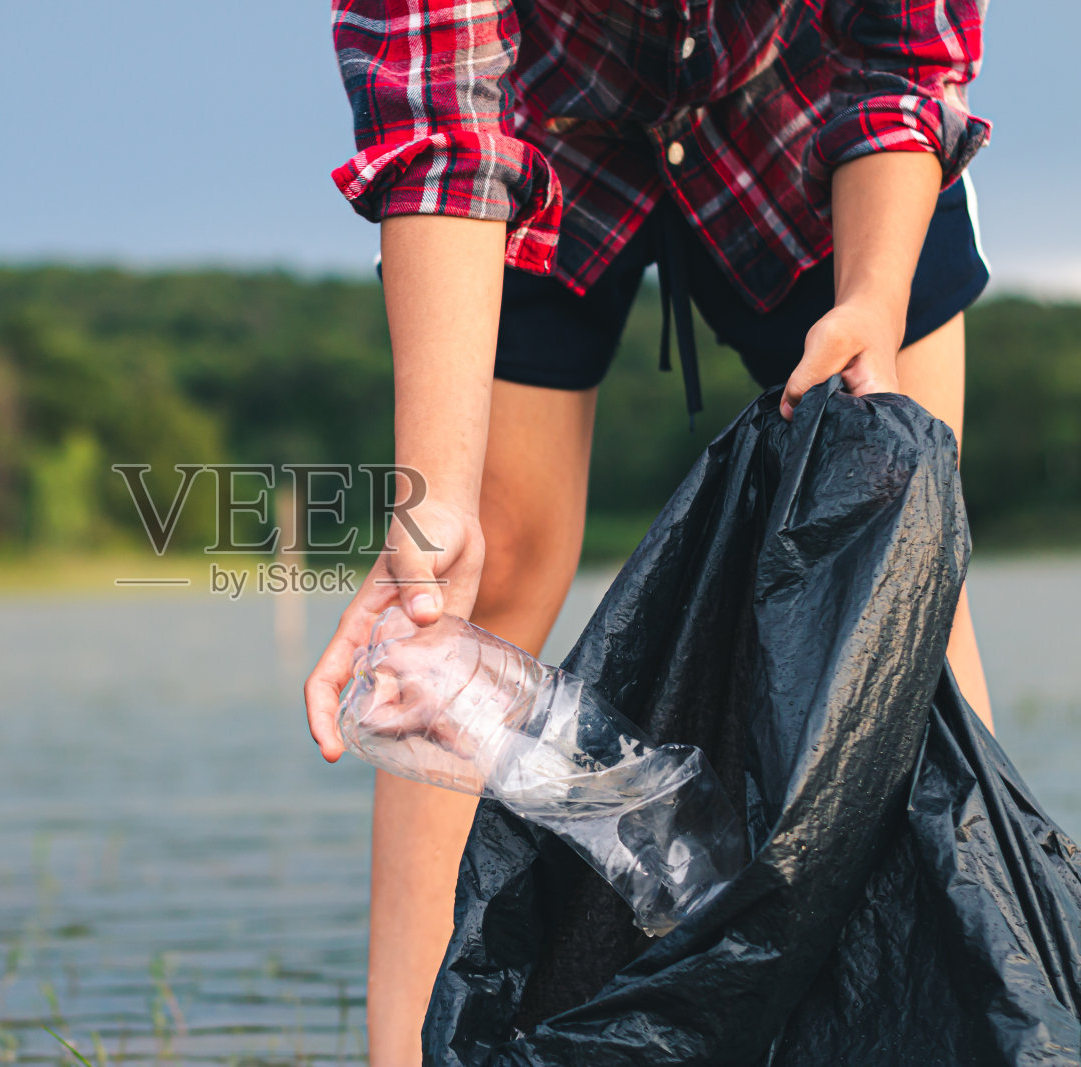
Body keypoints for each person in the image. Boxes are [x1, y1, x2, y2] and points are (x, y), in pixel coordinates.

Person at [301, 0, 993, 1062]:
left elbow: (899, 56)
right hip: (542, 121)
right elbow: (441, 117)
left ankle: (960, 1031)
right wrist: (432, 501)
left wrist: (871, 299)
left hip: (807, 120)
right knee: (468, 573)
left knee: (899, 575)